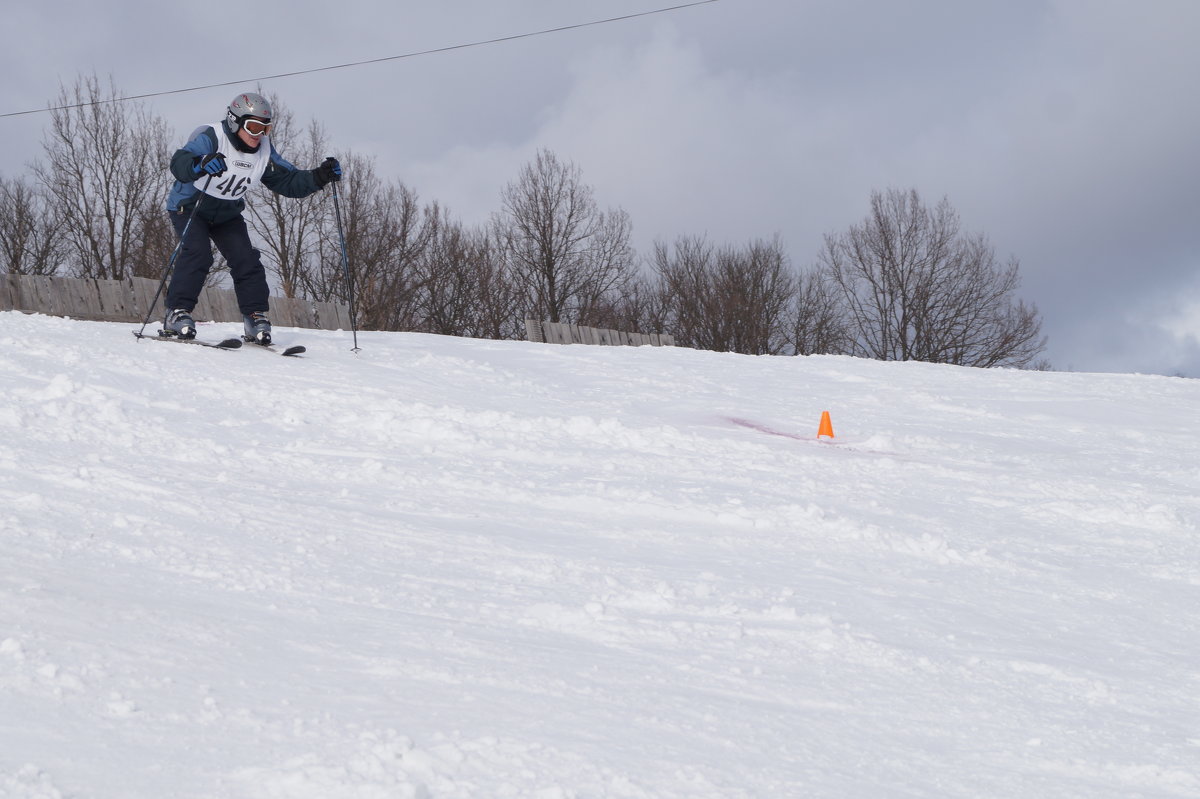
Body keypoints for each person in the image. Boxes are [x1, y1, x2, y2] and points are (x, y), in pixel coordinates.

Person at [163, 91, 341, 344]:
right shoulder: (212, 136)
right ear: (235, 121)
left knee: (247, 259)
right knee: (198, 254)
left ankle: (254, 317)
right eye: (254, 126)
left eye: (265, 129)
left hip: (226, 213)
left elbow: (288, 181)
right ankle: (177, 313)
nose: (259, 135)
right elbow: (180, 163)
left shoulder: (264, 151)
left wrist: (320, 176)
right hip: (191, 207)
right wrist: (201, 164)